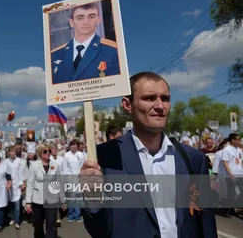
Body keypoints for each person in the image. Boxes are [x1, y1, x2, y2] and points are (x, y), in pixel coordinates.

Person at [81, 71, 217, 238]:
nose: (160, 106)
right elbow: (100, 231)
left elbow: (206, 225)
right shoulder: (105, 158)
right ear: (127, 105)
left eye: (165, 98)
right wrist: (93, 198)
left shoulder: (193, 158)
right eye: (150, 98)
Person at [51, 2, 120, 84]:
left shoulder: (114, 51)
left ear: (98, 20)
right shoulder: (55, 55)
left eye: (91, 17)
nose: (86, 22)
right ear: (71, 22)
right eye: (80, 18)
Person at [25, 144, 66, 238]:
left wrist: (63, 200)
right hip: (37, 200)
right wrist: (28, 202)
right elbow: (30, 184)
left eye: (49, 151)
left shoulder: (55, 165)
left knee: (51, 224)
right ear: (40, 153)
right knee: (38, 225)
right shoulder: (34, 165)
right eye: (45, 151)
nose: (48, 153)